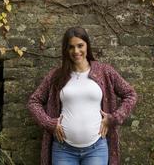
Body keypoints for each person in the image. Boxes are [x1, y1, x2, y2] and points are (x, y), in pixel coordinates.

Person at [27, 26, 137, 165]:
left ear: (87, 46)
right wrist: (50, 123)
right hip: (63, 150)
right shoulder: (56, 76)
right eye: (71, 47)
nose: (76, 51)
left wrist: (113, 118)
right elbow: (34, 101)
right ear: (66, 50)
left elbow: (130, 94)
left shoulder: (104, 71)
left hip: (96, 149)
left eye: (80, 46)